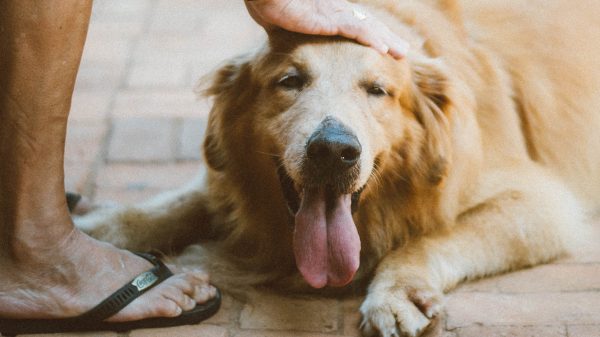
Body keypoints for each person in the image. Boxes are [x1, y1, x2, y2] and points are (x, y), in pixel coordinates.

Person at [0, 0, 408, 334]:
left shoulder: (431, 99)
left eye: (374, 90)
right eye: (290, 81)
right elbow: (230, 168)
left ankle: (26, 226)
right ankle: (32, 246)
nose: (333, 140)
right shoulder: (239, 106)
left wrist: (420, 268)